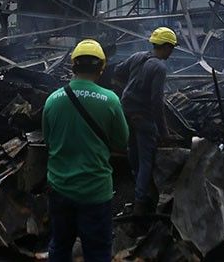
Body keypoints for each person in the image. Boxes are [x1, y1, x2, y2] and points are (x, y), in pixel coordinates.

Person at [42, 39, 129, 262]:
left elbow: (48, 140)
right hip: (95, 191)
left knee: (60, 246)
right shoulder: (110, 100)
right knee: (97, 251)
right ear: (101, 68)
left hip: (60, 189)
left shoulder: (53, 100)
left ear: (73, 67)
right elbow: (121, 141)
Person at [115, 26, 177, 216]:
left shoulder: (138, 56)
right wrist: (164, 132)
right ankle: (141, 202)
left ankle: (137, 189)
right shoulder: (159, 67)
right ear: (165, 46)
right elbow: (156, 102)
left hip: (126, 112)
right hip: (143, 118)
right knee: (146, 161)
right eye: (171, 48)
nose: (171, 52)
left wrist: (128, 89)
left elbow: (117, 71)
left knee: (133, 153)